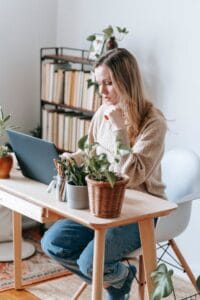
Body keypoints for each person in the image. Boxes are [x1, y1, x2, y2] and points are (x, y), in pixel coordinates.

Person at [41, 48, 167, 300]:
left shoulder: (153, 123)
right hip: (102, 204)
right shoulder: (103, 112)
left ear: (127, 81)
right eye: (100, 83)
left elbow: (131, 176)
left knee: (91, 263)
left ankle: (111, 279)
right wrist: (69, 159)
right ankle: (120, 277)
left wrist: (120, 130)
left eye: (109, 83)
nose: (102, 91)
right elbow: (90, 152)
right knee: (52, 243)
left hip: (140, 212)